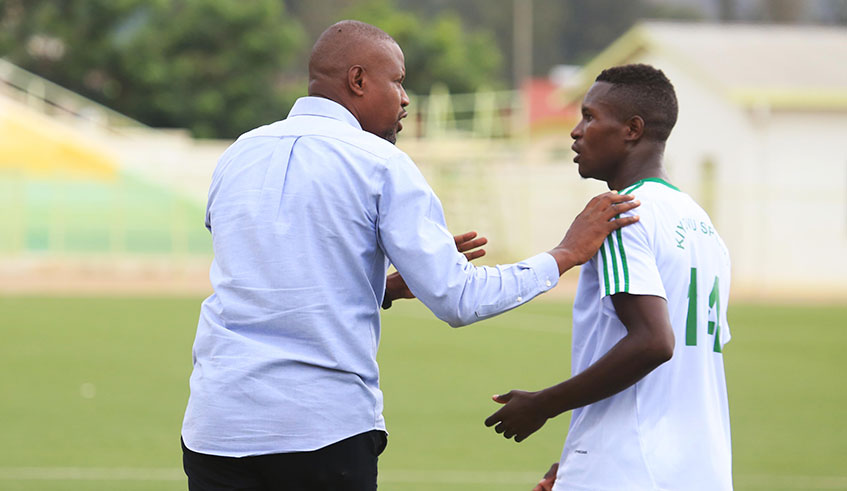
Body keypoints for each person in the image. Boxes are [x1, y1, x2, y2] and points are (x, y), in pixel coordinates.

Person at [180, 20, 640, 491]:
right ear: (358, 81)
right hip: (319, 432)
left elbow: (267, 269)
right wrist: (565, 254)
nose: (405, 98)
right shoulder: (379, 162)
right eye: (398, 81)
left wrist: (379, 287)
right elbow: (459, 298)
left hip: (216, 429)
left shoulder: (240, 153)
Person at [484, 64, 733, 491]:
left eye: (590, 116)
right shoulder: (703, 227)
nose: (576, 131)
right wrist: (577, 457)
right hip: (699, 468)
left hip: (629, 468)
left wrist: (543, 404)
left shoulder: (618, 215)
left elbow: (654, 342)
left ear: (632, 129)